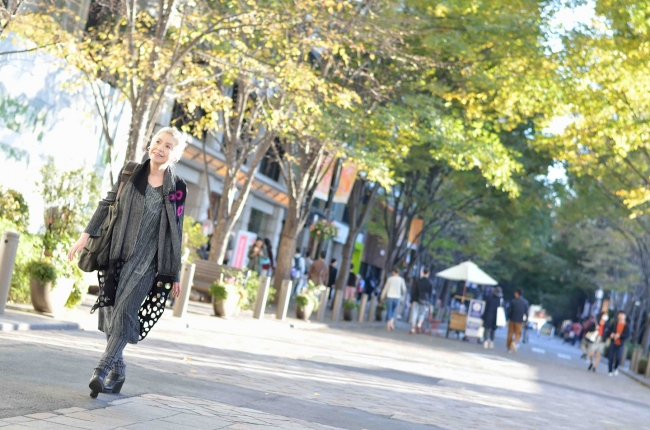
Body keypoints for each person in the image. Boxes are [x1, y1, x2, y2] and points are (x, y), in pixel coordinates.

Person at [68, 127, 187, 397]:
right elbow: (106, 203)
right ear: (150, 145)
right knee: (110, 313)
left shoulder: (177, 188)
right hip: (117, 255)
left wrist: (175, 272)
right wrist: (85, 236)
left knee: (123, 313)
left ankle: (101, 369)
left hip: (148, 264)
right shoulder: (130, 172)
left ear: (175, 154)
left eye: (168, 145)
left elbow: (176, 230)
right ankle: (118, 373)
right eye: (158, 141)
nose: (160, 147)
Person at [409, 268, 433, 335]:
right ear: (428, 273)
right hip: (424, 301)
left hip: (416, 299)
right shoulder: (430, 283)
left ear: (422, 273)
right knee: (422, 314)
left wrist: (411, 301)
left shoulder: (417, 281)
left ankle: (412, 329)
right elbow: (430, 294)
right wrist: (429, 303)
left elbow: (413, 291)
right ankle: (419, 325)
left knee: (414, 313)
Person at [608, 310, 630, 376]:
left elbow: (627, 335)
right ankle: (610, 371)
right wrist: (611, 334)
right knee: (611, 357)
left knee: (618, 357)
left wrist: (620, 335)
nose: (621, 316)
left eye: (622, 315)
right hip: (613, 342)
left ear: (625, 316)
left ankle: (615, 368)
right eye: (620, 314)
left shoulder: (627, 325)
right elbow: (609, 330)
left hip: (620, 343)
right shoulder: (615, 323)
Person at [506, 288, 528, 353]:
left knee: (510, 333)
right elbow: (526, 312)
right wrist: (526, 320)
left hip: (512, 319)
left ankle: (509, 347)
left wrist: (508, 318)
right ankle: (514, 341)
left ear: (517, 293)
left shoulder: (513, 301)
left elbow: (509, 311)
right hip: (519, 321)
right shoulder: (525, 302)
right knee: (518, 334)